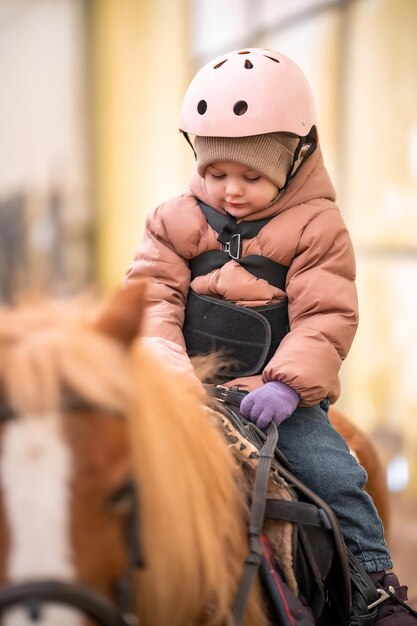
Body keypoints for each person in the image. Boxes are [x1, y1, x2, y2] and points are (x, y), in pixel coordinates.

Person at [125, 48, 416, 624]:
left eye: (250, 175)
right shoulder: (171, 219)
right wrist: (165, 365)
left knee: (336, 473)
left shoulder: (317, 227)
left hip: (274, 396)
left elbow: (324, 318)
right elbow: (152, 295)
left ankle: (374, 587)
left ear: (295, 158)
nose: (230, 190)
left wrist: (286, 386)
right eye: (215, 172)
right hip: (183, 383)